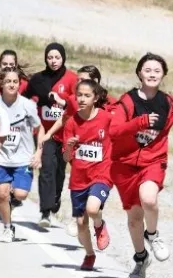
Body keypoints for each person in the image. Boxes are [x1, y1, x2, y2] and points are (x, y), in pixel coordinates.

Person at [109, 53, 173, 278]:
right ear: (139, 73)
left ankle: (153, 235)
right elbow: (114, 132)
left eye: (157, 71)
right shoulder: (127, 101)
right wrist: (139, 122)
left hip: (153, 160)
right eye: (148, 70)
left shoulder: (170, 103)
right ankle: (141, 259)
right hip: (124, 164)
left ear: (163, 75)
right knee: (134, 220)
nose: (152, 74)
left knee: (149, 199)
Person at [23, 42, 77, 228]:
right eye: (50, 57)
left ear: (63, 58)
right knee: (46, 167)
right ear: (45, 58)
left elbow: (77, 102)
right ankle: (45, 212)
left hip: (66, 133)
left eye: (57, 57)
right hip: (46, 133)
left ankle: (54, 200)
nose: (53, 61)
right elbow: (25, 96)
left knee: (59, 171)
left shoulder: (72, 79)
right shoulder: (38, 79)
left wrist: (63, 102)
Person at [63, 80, 113, 271]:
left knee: (92, 209)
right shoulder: (71, 122)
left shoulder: (107, 118)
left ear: (96, 97)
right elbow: (67, 157)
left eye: (87, 95)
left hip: (102, 173)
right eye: (79, 95)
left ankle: (100, 226)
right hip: (79, 178)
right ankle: (89, 255)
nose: (82, 99)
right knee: (81, 223)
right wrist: (69, 147)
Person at [0, 68, 43, 243]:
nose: (12, 85)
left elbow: (40, 127)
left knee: (20, 194)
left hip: (23, 158)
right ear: (2, 84)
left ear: (19, 85)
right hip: (2, 158)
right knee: (2, 193)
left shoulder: (27, 105)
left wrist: (39, 152)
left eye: (15, 82)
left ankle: (10, 203)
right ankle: (7, 227)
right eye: (8, 81)